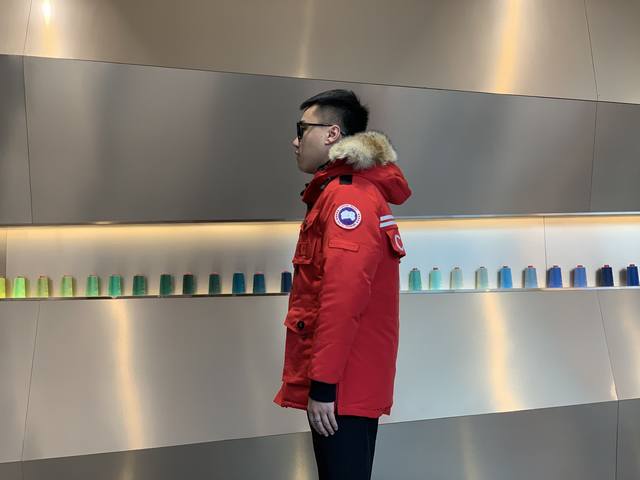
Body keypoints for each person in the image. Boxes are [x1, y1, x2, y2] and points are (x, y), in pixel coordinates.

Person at [273, 89, 411, 480]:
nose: (295, 141)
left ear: (332, 133)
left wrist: (324, 386)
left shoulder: (347, 199)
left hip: (343, 389)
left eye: (302, 129)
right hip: (347, 384)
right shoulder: (342, 193)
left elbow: (342, 299)